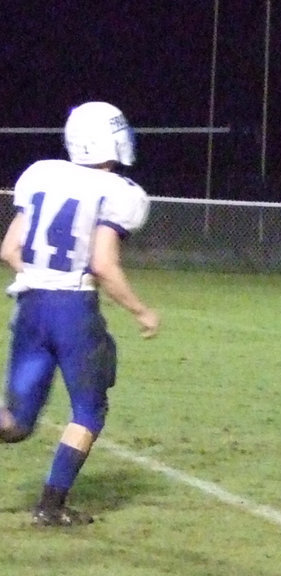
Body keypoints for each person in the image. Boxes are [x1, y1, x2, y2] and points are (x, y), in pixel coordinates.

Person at [0, 101, 159, 526]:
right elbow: (104, 263)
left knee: (14, 423)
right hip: (72, 309)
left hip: (31, 302)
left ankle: (51, 505)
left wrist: (45, 278)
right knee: (89, 410)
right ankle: (51, 507)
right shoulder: (119, 192)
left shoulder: (40, 175)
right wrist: (141, 311)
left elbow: (9, 250)